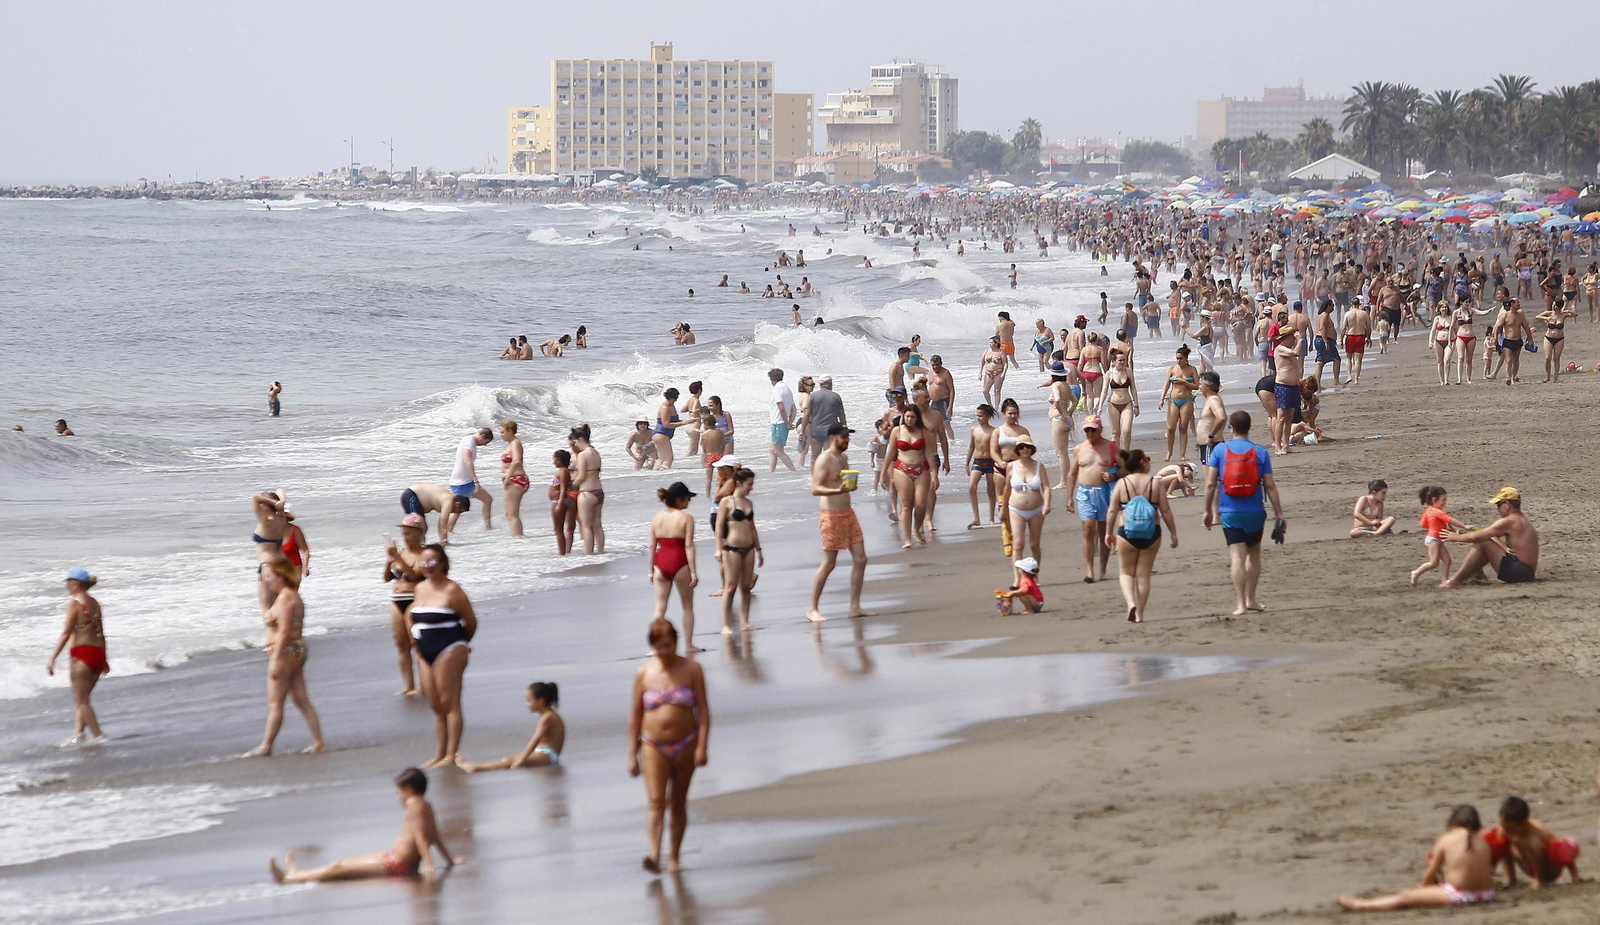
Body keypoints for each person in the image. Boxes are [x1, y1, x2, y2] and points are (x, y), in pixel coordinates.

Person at [270, 768, 458, 883]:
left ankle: (289, 878)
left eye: (398, 792)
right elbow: (435, 835)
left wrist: (430, 863)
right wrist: (448, 860)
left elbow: (421, 836)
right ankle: (299, 873)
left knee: (339, 868)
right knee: (346, 862)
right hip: (396, 859)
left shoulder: (413, 806)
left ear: (408, 789)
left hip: (398, 864)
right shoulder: (426, 805)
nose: (398, 798)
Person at [628, 619, 711, 875]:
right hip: (652, 746)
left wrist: (702, 746)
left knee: (678, 802)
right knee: (656, 801)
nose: (664, 651)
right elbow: (635, 716)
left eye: (669, 645)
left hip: (686, 743)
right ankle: (654, 856)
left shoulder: (692, 669)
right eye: (659, 647)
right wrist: (632, 754)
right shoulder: (643, 673)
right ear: (652, 646)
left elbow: (703, 711)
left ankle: (674, 857)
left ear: (676, 643)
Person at [1336, 805, 1495, 911]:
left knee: (1405, 896)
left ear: (1453, 824)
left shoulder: (1446, 839)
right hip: (1486, 894)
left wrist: (1423, 892)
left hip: (1461, 896)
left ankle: (1362, 905)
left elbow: (1428, 876)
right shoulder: (1483, 842)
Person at [1204, 411, 1285, 615]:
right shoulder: (1260, 452)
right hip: (1254, 511)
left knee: (1237, 556)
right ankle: (1251, 599)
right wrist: (1279, 513)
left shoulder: (1220, 450)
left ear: (1231, 428)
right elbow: (1270, 486)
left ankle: (1240, 605)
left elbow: (1210, 484)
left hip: (1229, 511)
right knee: (1253, 554)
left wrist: (1207, 511)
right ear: (1249, 428)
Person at [248, 560, 326, 757]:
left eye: (269, 576)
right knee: (301, 698)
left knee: (275, 703)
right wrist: (260, 575)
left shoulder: (284, 598)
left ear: (281, 575)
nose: (267, 581)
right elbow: (265, 603)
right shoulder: (292, 596)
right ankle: (319, 742)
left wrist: (275, 659)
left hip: (285, 652)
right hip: (296, 650)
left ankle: (266, 746)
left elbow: (283, 631)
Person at [409, 544, 477, 768]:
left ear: (443, 564)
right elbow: (412, 617)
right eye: (423, 561)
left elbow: (471, 621)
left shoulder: (452, 590)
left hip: (450, 647)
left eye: (432, 562)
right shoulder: (420, 587)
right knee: (436, 705)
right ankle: (439, 754)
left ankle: (452, 754)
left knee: (450, 703)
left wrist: (462, 643)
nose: (427, 566)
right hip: (424, 651)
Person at [1104, 448, 1178, 623]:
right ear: (1142, 462)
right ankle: (1140, 614)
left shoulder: (1122, 483)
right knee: (1143, 575)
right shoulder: (1155, 483)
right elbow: (1165, 510)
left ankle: (1131, 604)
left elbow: (1112, 510)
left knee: (1126, 573)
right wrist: (1173, 533)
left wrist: (1108, 532)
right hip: (1151, 533)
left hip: (1126, 533)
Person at [808, 425, 871, 622]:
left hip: (848, 512)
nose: (846, 440)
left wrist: (849, 487)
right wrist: (836, 491)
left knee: (861, 559)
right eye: (843, 437)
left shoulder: (843, 458)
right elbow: (815, 488)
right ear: (832, 438)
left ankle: (855, 606)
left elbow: (841, 483)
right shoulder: (824, 459)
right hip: (831, 515)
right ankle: (812, 609)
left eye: (847, 437)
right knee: (829, 563)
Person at [46, 567, 108, 744]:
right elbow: (101, 633)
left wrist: (53, 658)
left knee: (81, 702)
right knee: (84, 699)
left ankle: (99, 736)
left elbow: (66, 633)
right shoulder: (95, 603)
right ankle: (79, 735)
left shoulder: (75, 603)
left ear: (75, 584)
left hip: (82, 655)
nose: (67, 586)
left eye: (68, 582)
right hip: (97, 654)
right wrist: (105, 660)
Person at [1441, 487, 1539, 587]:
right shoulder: (1521, 519)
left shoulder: (1509, 521)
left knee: (1483, 542)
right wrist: (1461, 534)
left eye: (1498, 505)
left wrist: (1454, 537)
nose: (1498, 509)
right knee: (1487, 540)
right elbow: (1489, 535)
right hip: (1526, 573)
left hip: (1520, 573)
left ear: (1506, 505)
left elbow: (1476, 537)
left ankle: (1455, 581)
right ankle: (1474, 576)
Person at [457, 681, 565, 771]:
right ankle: (476, 766)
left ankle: (476, 768)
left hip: (548, 756)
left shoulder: (547, 717)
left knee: (509, 761)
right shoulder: (546, 715)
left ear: (540, 700)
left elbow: (535, 740)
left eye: (529, 700)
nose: (527, 704)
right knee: (508, 759)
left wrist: (522, 760)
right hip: (542, 753)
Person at [649, 482, 701, 651]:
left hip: (660, 561)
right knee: (687, 607)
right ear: (679, 499)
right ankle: (689, 645)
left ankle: (655, 647)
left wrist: (651, 570)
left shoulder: (657, 517)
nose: (689, 502)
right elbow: (689, 546)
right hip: (679, 561)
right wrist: (693, 572)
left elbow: (652, 545)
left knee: (659, 607)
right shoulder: (686, 518)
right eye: (687, 498)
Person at [1065, 415, 1117, 583]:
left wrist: (1113, 475)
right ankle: (1089, 571)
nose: (1090, 433)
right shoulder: (1079, 449)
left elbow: (1125, 468)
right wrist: (1069, 497)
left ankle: (1102, 569)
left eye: (1093, 430)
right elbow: (1072, 474)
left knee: (1104, 532)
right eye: (1087, 430)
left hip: (1104, 493)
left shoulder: (1111, 447)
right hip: (1085, 493)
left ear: (1100, 429)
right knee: (1088, 529)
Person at [1493, 795, 1581, 887]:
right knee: (1502, 842)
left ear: (1525, 823)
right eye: (1503, 826)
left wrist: (1575, 876)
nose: (1506, 831)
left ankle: (1539, 879)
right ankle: (1510, 878)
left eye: (1511, 829)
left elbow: (1563, 850)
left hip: (1549, 869)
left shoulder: (1538, 832)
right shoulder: (1506, 831)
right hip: (1527, 865)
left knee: (1534, 844)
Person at [715, 468, 762, 636]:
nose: (751, 487)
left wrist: (759, 549)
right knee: (730, 587)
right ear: (738, 483)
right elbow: (719, 526)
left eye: (752, 484)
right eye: (749, 484)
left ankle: (745, 622)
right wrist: (718, 549)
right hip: (731, 549)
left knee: (746, 587)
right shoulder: (727, 502)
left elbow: (752, 527)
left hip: (749, 548)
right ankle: (726, 625)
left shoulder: (749, 503)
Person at [383, 514, 427, 696]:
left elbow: (414, 575)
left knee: (416, 645)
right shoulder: (400, 553)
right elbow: (386, 578)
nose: (404, 537)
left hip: (414, 599)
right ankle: (408, 685)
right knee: (401, 645)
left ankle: (422, 685)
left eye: (408, 533)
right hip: (397, 599)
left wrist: (398, 559)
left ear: (419, 533)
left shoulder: (424, 554)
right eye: (403, 533)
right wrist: (389, 561)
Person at [883, 405, 936, 548]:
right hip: (902, 469)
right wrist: (883, 474)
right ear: (903, 416)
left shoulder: (923, 432)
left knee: (920, 504)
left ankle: (917, 528)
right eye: (907, 416)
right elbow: (890, 453)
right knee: (906, 505)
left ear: (917, 418)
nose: (909, 419)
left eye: (912, 417)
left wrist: (934, 474)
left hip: (921, 469)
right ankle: (907, 539)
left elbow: (929, 454)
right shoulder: (897, 431)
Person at [1004, 435, 1051, 566]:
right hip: (1016, 509)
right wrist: (1003, 510)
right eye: (1021, 446)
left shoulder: (1039, 466)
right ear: (1017, 450)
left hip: (1036, 510)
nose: (1025, 449)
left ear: (1032, 449)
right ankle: (1017, 575)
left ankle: (1034, 574)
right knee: (1018, 544)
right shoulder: (1011, 466)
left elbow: (1046, 487)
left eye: (1028, 446)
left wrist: (1047, 504)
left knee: (1034, 545)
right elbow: (1007, 489)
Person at [1410, 485, 1464, 587]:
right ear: (1435, 500)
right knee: (1434, 563)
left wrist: (1437, 526)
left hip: (1437, 539)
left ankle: (1444, 581)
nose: (1445, 503)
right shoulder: (1436, 511)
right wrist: (1464, 526)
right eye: (1443, 500)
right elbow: (1450, 520)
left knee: (1447, 560)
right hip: (1433, 540)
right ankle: (1416, 572)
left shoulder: (1429, 510)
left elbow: (1423, 524)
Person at [445, 429, 494, 538]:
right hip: (461, 482)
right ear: (482, 435)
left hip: (467, 482)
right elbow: (467, 460)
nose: (485, 445)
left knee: (487, 499)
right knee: (457, 510)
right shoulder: (469, 441)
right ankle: (446, 534)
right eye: (486, 442)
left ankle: (488, 527)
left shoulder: (470, 441)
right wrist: (475, 480)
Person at [251, 490, 291, 619]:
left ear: (266, 506)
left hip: (268, 565)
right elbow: (280, 489)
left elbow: (254, 497)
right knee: (281, 606)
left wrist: (274, 503)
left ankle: (275, 632)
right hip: (284, 564)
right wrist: (281, 501)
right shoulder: (282, 517)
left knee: (267, 611)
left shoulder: (266, 520)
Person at [1158, 346, 1199, 462]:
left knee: (1183, 427)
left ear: (1186, 358)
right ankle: (1169, 452)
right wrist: (1161, 399)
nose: (1178, 361)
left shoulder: (1192, 369)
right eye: (1177, 358)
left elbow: (1197, 386)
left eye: (1180, 358)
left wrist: (1184, 382)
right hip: (1173, 400)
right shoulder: (1172, 369)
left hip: (1186, 400)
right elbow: (1166, 384)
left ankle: (1182, 454)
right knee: (1170, 428)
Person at [570, 425, 605, 554]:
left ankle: (588, 554)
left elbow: (581, 477)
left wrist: (571, 487)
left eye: (575, 442)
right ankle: (601, 552)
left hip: (587, 492)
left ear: (580, 439)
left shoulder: (583, 455)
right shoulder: (595, 453)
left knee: (586, 526)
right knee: (597, 525)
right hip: (599, 491)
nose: (575, 445)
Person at [965, 403, 1000, 528]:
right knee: (971, 487)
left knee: (991, 490)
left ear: (988, 417)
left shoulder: (994, 431)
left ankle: (991, 519)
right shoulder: (974, 429)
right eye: (977, 415)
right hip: (978, 461)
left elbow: (997, 449)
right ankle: (976, 518)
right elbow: (971, 447)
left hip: (990, 462)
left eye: (981, 416)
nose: (978, 418)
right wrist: (967, 463)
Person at [1270, 329, 1304, 456]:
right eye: (1293, 337)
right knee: (1282, 416)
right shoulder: (1280, 349)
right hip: (1283, 386)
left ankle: (1286, 445)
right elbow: (1295, 353)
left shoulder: (1288, 349)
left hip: (1293, 387)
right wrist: (1300, 340)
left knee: (1290, 416)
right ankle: (1277, 446)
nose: (1294, 339)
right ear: (1288, 337)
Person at [399, 483, 464, 541]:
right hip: (412, 496)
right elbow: (442, 524)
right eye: (459, 511)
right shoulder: (449, 500)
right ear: (457, 504)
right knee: (417, 528)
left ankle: (420, 546)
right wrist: (444, 541)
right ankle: (414, 547)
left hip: (414, 497)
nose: (456, 513)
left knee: (423, 528)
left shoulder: (448, 497)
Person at [805, 376, 846, 458]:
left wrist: (802, 429)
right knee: (829, 457)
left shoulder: (813, 396)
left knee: (815, 458)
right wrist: (844, 428)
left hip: (816, 431)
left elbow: (807, 414)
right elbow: (841, 414)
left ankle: (814, 467)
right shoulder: (836, 396)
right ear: (828, 383)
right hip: (830, 431)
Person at [499, 420, 527, 537]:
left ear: (510, 431)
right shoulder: (512, 444)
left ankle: (517, 539)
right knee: (511, 514)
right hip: (515, 479)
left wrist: (508, 477)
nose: (501, 435)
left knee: (511, 514)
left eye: (502, 432)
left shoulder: (515, 443)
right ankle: (518, 538)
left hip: (516, 479)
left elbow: (516, 461)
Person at [651, 388, 689, 469]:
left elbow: (674, 421)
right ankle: (662, 474)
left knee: (661, 459)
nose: (675, 400)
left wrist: (687, 421)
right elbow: (666, 424)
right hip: (661, 434)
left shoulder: (671, 406)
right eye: (675, 398)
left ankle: (655, 474)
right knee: (668, 459)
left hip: (662, 435)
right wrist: (683, 423)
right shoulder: (665, 407)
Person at [1193, 371, 1226, 463]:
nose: (1199, 387)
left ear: (1208, 386)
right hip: (1209, 444)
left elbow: (1222, 418)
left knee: (1211, 472)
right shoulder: (1211, 399)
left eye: (1200, 384)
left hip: (1211, 444)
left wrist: (1211, 436)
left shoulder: (1213, 400)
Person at [768, 369, 797, 472]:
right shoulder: (787, 388)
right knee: (772, 450)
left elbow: (781, 407)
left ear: (772, 379)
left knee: (778, 451)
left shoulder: (777, 388)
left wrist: (787, 423)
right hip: (783, 423)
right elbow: (794, 409)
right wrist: (789, 422)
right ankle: (771, 473)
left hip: (778, 422)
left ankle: (794, 471)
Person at [549, 449, 578, 555]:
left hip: (560, 500)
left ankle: (562, 554)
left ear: (558, 460)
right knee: (561, 529)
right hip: (561, 500)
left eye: (554, 459)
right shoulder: (564, 471)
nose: (553, 462)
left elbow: (563, 489)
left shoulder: (562, 471)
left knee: (558, 529)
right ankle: (564, 552)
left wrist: (560, 503)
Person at [1340, 297, 1373, 385]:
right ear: (1359, 304)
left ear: (1352, 304)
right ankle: (1356, 379)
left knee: (1348, 357)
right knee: (1358, 359)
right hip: (1360, 336)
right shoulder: (1364, 314)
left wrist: (1341, 340)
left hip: (1350, 336)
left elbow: (1344, 328)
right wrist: (1368, 338)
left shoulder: (1348, 314)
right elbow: (1368, 328)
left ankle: (1349, 376)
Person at [979, 336, 1009, 408]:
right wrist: (980, 373)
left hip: (998, 373)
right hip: (988, 373)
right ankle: (990, 405)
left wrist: (1003, 373)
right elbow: (982, 362)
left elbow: (1005, 363)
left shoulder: (1001, 352)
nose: (990, 344)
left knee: (997, 390)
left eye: (991, 342)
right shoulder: (987, 351)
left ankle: (996, 408)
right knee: (985, 391)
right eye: (989, 342)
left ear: (996, 343)